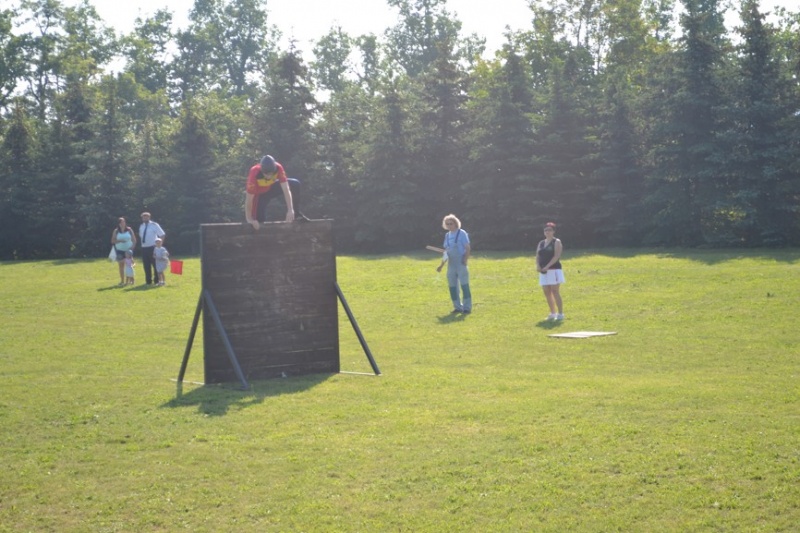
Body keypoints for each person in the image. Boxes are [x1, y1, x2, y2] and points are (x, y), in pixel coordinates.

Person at [245, 155, 308, 230]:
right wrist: (249, 219)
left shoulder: (278, 167)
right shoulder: (254, 173)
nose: (269, 177)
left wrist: (290, 210)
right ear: (262, 171)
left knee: (295, 184)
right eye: (266, 174)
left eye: (271, 174)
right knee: (259, 221)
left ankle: (296, 214)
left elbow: (286, 189)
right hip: (259, 195)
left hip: (270, 188)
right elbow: (249, 200)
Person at [436, 214, 472, 313]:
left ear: (456, 223)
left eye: (451, 224)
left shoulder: (462, 233)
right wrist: (441, 265)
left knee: (464, 285)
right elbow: (446, 253)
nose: (449, 226)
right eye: (447, 224)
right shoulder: (447, 236)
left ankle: (467, 308)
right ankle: (457, 307)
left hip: (461, 263)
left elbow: (467, 248)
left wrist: (465, 260)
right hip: (451, 264)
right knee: (452, 287)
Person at [536, 222, 565, 320]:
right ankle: (552, 313)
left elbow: (556, 256)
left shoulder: (556, 242)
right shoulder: (541, 243)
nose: (547, 232)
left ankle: (560, 314)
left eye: (549, 230)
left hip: (554, 269)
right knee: (546, 291)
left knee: (555, 291)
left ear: (553, 231)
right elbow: (538, 255)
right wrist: (538, 266)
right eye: (546, 230)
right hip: (543, 270)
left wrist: (547, 266)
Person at [138, 212, 166, 285]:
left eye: (146, 217)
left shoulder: (154, 225)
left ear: (149, 217)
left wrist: (159, 245)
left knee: (155, 264)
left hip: (153, 247)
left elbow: (162, 234)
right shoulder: (141, 226)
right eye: (144, 217)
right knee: (146, 265)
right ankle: (148, 281)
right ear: (142, 218)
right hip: (144, 247)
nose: (145, 218)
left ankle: (157, 280)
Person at [111, 217, 136, 286]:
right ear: (118, 224)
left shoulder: (129, 230)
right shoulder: (116, 231)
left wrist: (132, 248)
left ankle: (131, 280)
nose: (122, 224)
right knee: (121, 265)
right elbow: (112, 241)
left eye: (123, 222)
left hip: (128, 251)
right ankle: (122, 281)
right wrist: (120, 241)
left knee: (129, 265)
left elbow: (134, 240)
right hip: (120, 251)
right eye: (121, 222)